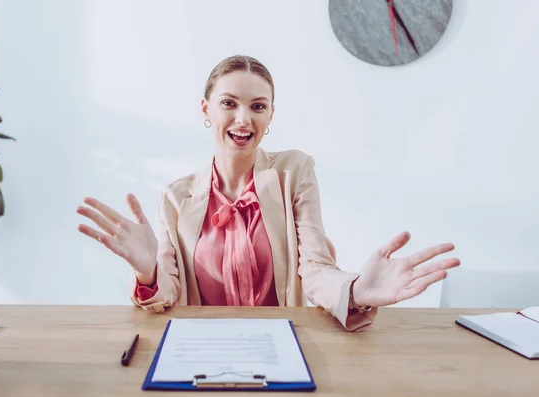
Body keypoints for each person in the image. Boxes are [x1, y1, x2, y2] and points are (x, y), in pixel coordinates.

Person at [76, 55, 460, 332]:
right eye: (229, 103)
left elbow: (314, 269)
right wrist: (149, 271)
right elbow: (168, 293)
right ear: (206, 108)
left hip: (281, 340)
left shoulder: (294, 172)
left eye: (257, 106)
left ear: (271, 116)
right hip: (200, 344)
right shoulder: (176, 197)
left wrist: (357, 290)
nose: (244, 119)